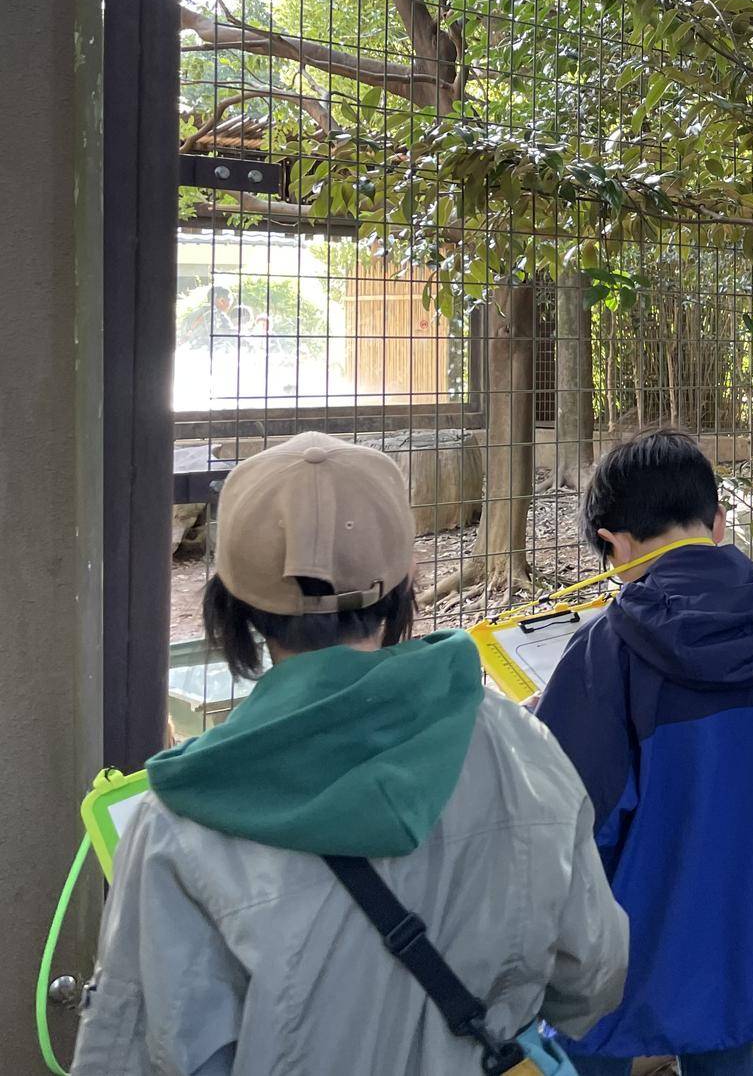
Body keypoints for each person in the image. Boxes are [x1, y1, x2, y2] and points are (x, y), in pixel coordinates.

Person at [71, 433, 627, 1073]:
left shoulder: (175, 824)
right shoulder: (521, 749)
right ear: (404, 582)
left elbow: (127, 1057)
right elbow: (593, 978)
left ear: (231, 602)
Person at [536, 428, 753, 1076]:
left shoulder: (608, 648)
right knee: (723, 1045)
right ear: (717, 522)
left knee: (583, 1046)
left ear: (612, 542)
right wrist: (749, 809)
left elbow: (572, 815)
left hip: (625, 933)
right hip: (742, 914)